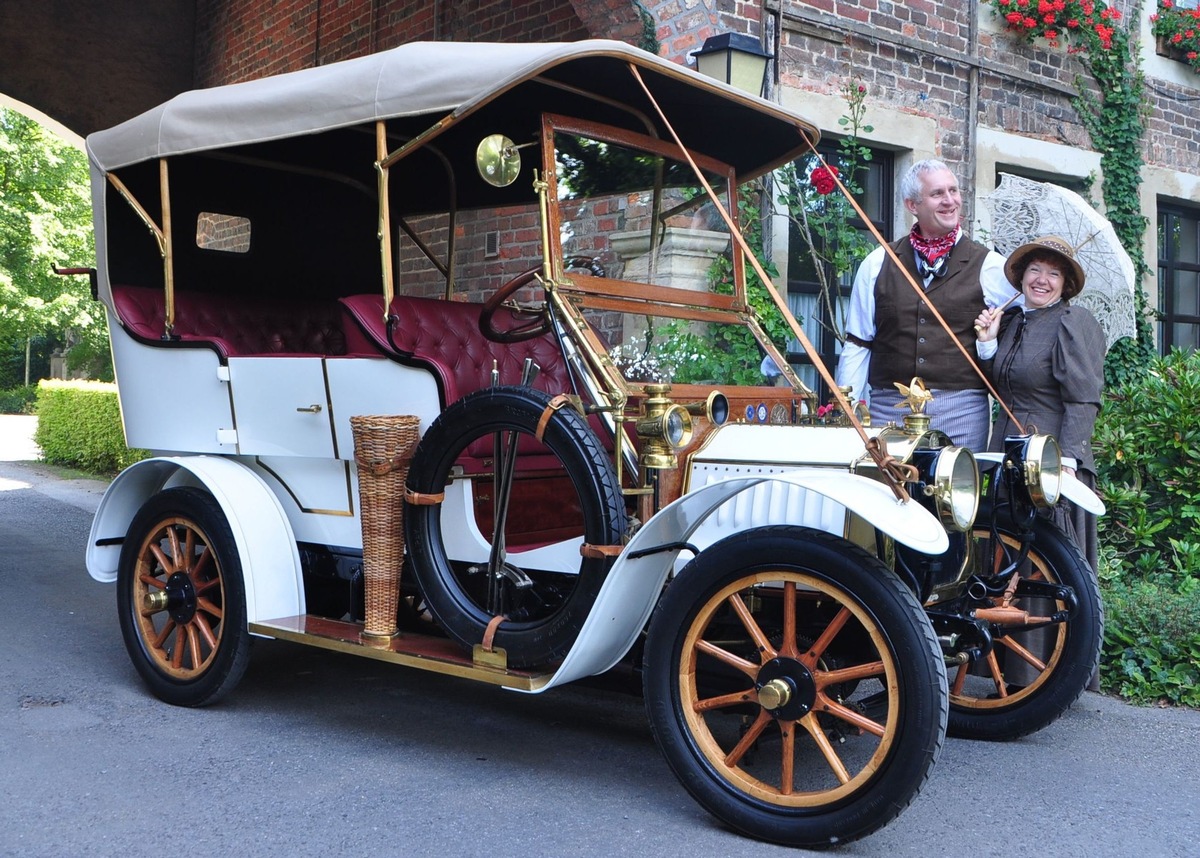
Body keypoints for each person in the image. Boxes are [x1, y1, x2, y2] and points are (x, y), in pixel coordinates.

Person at [835, 159, 1018, 450]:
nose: (950, 201)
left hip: (961, 413)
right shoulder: (878, 263)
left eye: (953, 191)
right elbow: (858, 343)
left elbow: (1023, 325)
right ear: (912, 205)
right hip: (888, 410)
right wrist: (847, 411)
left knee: (954, 494)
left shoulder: (991, 267)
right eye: (937, 194)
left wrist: (989, 344)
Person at [974, 234, 1106, 571]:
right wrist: (987, 343)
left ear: (1066, 284)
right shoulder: (1015, 321)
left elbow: (1083, 399)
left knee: (1046, 561)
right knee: (1007, 554)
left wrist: (1067, 462)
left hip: (1051, 458)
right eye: (1035, 269)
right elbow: (1005, 388)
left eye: (1054, 274)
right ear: (1021, 276)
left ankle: (1050, 627)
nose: (1042, 280)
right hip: (1010, 454)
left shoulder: (1073, 323)